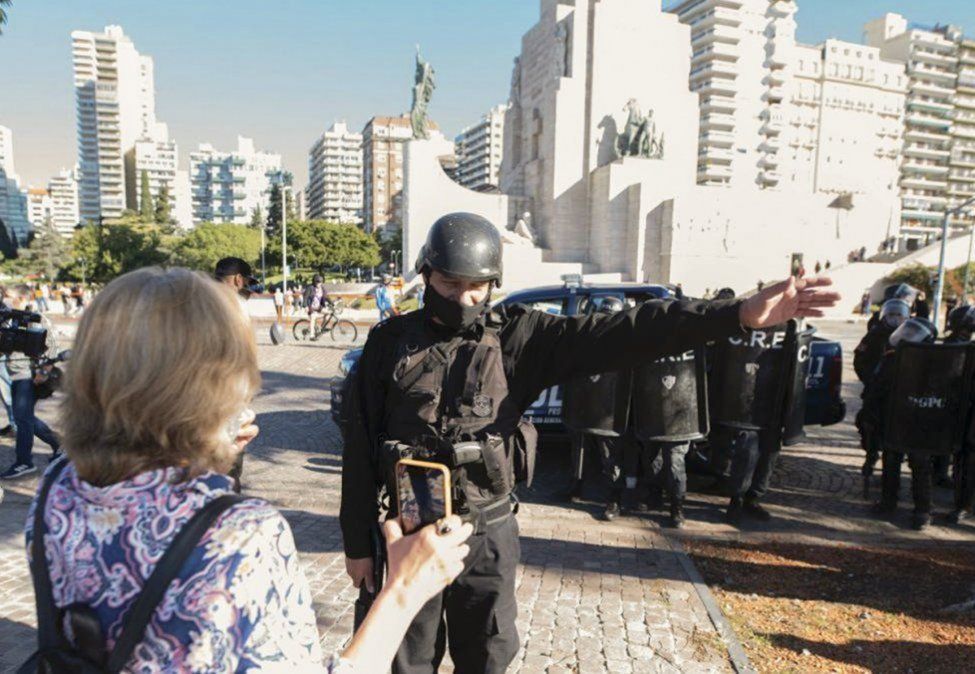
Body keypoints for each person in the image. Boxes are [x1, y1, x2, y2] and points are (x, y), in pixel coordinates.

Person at [340, 212, 839, 674]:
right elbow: (360, 446)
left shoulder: (519, 337)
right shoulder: (389, 342)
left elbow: (628, 331)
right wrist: (358, 545)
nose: (463, 298)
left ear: (494, 284)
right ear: (426, 274)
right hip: (409, 530)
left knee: (488, 656)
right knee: (405, 657)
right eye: (450, 283)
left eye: (477, 287)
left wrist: (737, 315)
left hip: (486, 532)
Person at [23, 267, 474, 673]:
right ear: (218, 381)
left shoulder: (56, 488)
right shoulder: (241, 534)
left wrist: (212, 452)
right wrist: (403, 590)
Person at [862, 317, 940, 529]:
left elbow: (874, 392)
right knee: (903, 461)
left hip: (908, 422)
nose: (907, 337)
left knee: (908, 462)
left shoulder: (924, 363)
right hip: (907, 422)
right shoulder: (895, 358)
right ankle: (909, 507)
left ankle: (911, 508)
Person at [0, 285, 62, 480]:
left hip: (29, 376)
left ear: (21, 298)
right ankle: (59, 444)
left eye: (8, 296)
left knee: (23, 419)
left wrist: (44, 370)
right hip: (16, 374)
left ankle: (24, 462)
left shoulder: (34, 319)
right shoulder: (9, 320)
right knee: (24, 417)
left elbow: (52, 347)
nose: (5, 299)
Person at [854, 298, 910, 497]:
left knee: (894, 438)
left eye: (899, 315)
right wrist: (871, 379)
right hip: (876, 393)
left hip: (900, 396)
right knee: (868, 425)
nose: (895, 319)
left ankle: (891, 481)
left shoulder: (909, 337)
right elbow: (859, 359)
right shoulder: (874, 335)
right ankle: (870, 456)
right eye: (891, 314)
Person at [214, 257, 260, 492]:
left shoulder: (201, 302)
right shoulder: (235, 305)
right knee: (229, 469)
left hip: (198, 400)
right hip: (228, 399)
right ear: (238, 280)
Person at [945, 305, 975, 524]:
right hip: (965, 410)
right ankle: (962, 503)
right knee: (965, 458)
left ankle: (964, 504)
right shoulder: (964, 347)